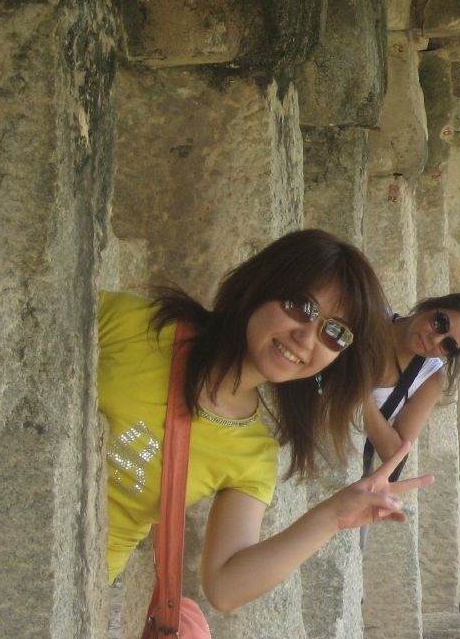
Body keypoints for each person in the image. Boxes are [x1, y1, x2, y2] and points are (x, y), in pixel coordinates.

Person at [98, 229, 433, 612]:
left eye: (334, 333)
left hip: (68, 588)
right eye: (301, 306)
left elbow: (225, 587)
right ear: (262, 286)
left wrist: (332, 515)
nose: (306, 337)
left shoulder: (253, 455)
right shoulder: (135, 325)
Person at [362, 293, 460, 478]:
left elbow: (395, 456)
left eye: (448, 345)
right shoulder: (370, 312)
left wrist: (361, 396)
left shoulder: (429, 376)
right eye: (440, 323)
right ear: (429, 306)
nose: (435, 340)